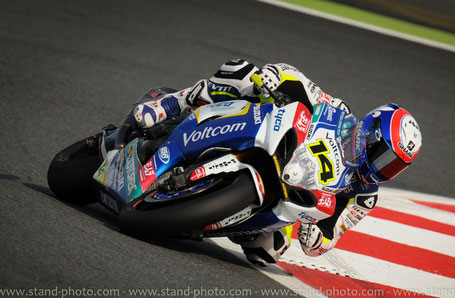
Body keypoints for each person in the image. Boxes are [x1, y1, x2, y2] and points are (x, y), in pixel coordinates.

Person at [131, 59, 422, 266]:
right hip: (272, 139)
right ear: (371, 131)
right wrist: (276, 75)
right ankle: (170, 104)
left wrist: (316, 238)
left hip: (289, 195)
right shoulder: (339, 113)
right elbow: (302, 83)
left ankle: (196, 217)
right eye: (383, 155)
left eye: (392, 166)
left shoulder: (364, 196)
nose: (383, 167)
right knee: (242, 72)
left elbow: (332, 235)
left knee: (269, 252)